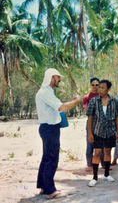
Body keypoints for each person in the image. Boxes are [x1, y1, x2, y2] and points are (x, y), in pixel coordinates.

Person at [35, 68, 81, 198]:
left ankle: (44, 186)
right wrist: (76, 101)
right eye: (58, 77)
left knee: (46, 157)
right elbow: (62, 107)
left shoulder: (47, 92)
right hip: (49, 129)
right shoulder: (45, 92)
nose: (59, 80)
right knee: (52, 158)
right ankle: (50, 190)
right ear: (52, 77)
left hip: (48, 128)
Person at [86, 80, 118, 187]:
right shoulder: (93, 101)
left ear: (108, 89)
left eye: (102, 87)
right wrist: (90, 133)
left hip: (110, 131)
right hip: (98, 130)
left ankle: (106, 175)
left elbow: (116, 118)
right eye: (99, 87)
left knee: (107, 151)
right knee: (97, 152)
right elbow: (90, 118)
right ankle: (95, 177)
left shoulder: (114, 101)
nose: (99, 89)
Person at [82, 77, 104, 171]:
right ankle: (89, 164)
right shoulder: (86, 97)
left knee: (102, 143)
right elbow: (85, 109)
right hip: (91, 123)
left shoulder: (103, 96)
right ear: (90, 85)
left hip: (102, 123)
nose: (95, 87)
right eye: (93, 85)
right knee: (90, 143)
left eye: (97, 85)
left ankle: (103, 163)